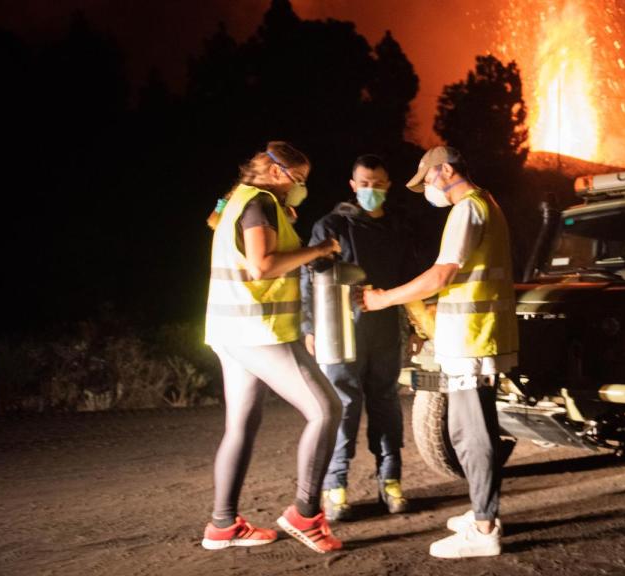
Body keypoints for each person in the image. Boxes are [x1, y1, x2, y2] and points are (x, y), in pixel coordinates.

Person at [362, 146, 518, 558]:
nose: (427, 189)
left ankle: (484, 527)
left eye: (428, 179)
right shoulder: (487, 204)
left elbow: (442, 273)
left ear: (446, 169)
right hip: (475, 336)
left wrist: (385, 299)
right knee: (466, 432)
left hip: (474, 339)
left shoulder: (467, 209)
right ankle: (482, 511)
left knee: (471, 435)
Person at [201, 141, 345, 554]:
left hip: (229, 329)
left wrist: (286, 227)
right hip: (258, 329)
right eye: (300, 181)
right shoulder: (261, 202)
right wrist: (317, 250)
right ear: (280, 173)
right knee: (326, 409)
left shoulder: (240, 200)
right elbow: (262, 265)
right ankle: (305, 514)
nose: (301, 189)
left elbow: (217, 224)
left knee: (241, 425)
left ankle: (223, 525)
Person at [300, 154, 409, 521]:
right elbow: (309, 277)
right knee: (343, 407)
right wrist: (310, 326)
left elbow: (410, 281)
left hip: (386, 332)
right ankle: (336, 487)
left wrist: (416, 326)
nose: (371, 190)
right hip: (339, 330)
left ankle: (391, 481)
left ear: (389, 184)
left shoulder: (397, 228)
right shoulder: (331, 225)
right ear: (352, 185)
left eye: (378, 184)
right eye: (364, 184)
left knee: (386, 405)